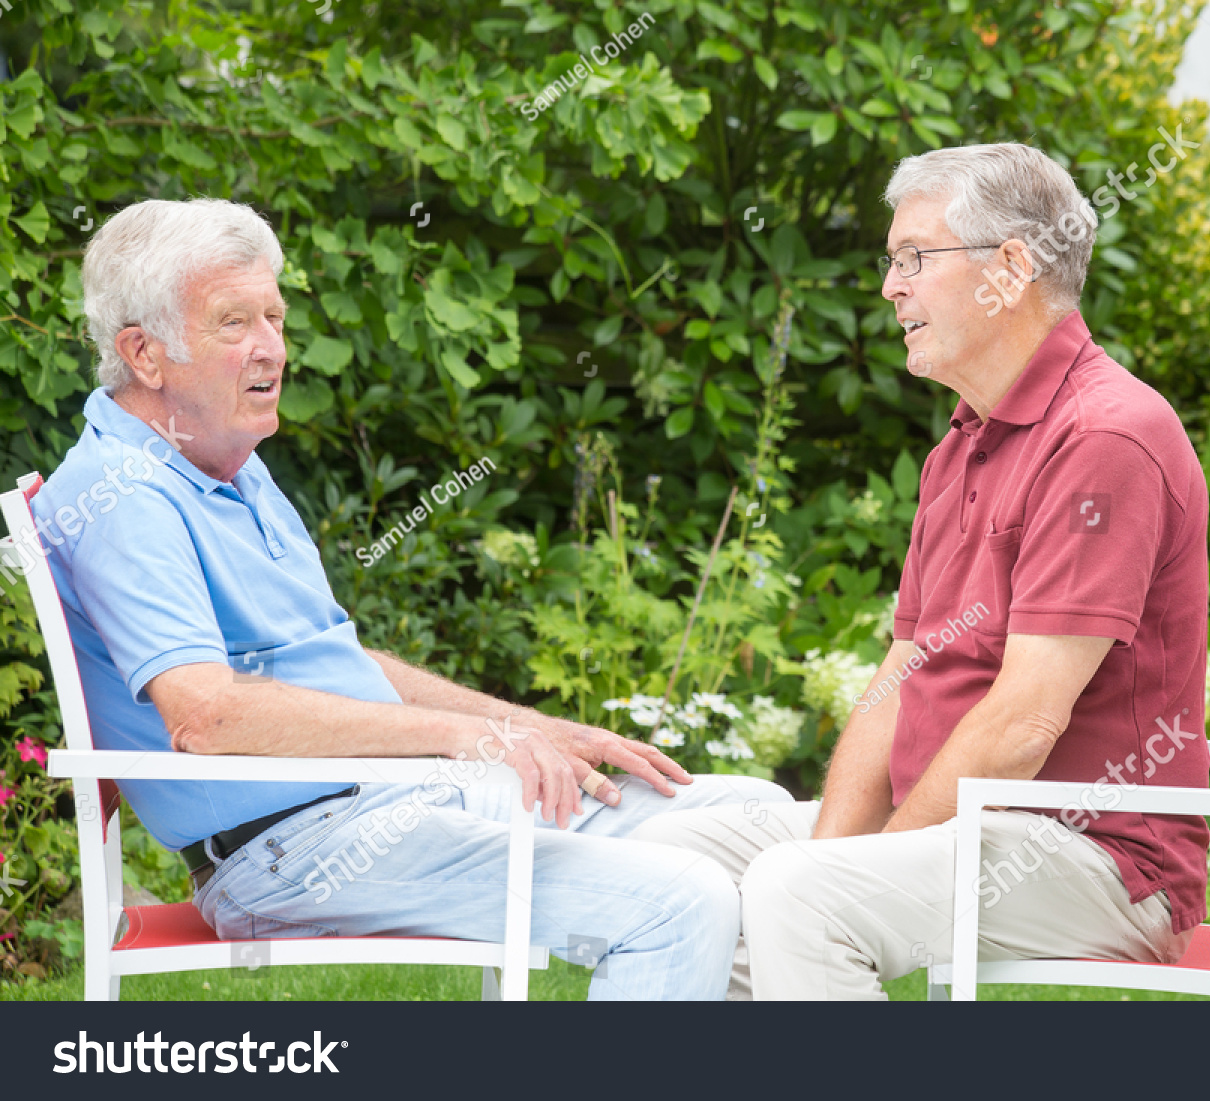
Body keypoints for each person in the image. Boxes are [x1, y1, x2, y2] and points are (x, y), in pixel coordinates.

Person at [31, 197, 791, 1000]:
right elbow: (207, 716)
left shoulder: (231, 460)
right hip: (295, 852)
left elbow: (335, 663)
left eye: (275, 316)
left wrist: (522, 728)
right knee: (679, 901)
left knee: (755, 818)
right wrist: (461, 737)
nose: (273, 347)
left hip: (393, 801)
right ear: (144, 354)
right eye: (234, 323)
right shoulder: (120, 495)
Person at [631, 143, 1210, 999]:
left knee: (799, 894)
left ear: (1010, 268)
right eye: (891, 261)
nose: (889, 286)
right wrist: (833, 852)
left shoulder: (1104, 438)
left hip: (1096, 854)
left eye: (914, 259)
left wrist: (856, 863)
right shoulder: (964, 441)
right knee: (671, 864)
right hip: (972, 826)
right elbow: (903, 674)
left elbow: (1021, 724)